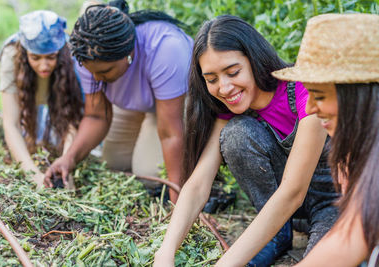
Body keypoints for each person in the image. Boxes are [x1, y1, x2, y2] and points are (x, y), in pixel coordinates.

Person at [154, 15, 340, 267]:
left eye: (233, 72)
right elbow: (198, 183)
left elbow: (292, 192)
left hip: (333, 204)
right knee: (236, 134)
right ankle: (276, 236)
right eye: (212, 79)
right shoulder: (230, 111)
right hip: (286, 213)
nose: (225, 87)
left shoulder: (305, 93)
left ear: (254, 60)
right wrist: (165, 252)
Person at [44, 0, 193, 202]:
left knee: (149, 173)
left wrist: (179, 196)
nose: (96, 79)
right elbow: (96, 116)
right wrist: (69, 158)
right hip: (134, 102)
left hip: (175, 103)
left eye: (104, 71)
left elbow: (170, 134)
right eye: (92, 72)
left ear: (129, 54)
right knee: (114, 164)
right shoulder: (87, 53)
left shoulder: (166, 49)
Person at [272, 13, 379, 267]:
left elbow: (346, 243)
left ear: (356, 96)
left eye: (318, 95)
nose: (308, 107)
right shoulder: (356, 154)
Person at [0, 10, 83, 188]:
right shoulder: (11, 55)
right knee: (29, 140)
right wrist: (33, 174)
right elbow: (11, 124)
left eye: (51, 57)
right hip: (26, 99)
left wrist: (67, 163)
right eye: (35, 58)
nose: (43, 66)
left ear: (59, 53)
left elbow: (72, 120)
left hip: (57, 99)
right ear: (25, 52)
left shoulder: (70, 55)